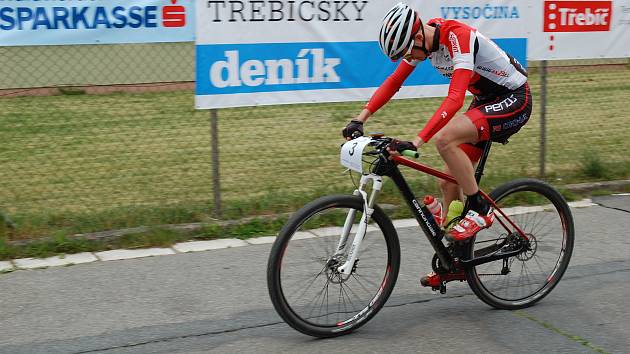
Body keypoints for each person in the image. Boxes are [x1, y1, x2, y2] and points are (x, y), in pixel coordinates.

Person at [342, 2, 532, 286]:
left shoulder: (457, 36)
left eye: (407, 53)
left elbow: (454, 99)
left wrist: (418, 140)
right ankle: (455, 262)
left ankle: (480, 209)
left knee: (445, 139)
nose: (409, 59)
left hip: (514, 99)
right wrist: (360, 118)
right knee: (448, 182)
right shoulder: (423, 41)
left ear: (418, 37)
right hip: (486, 101)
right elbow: (394, 82)